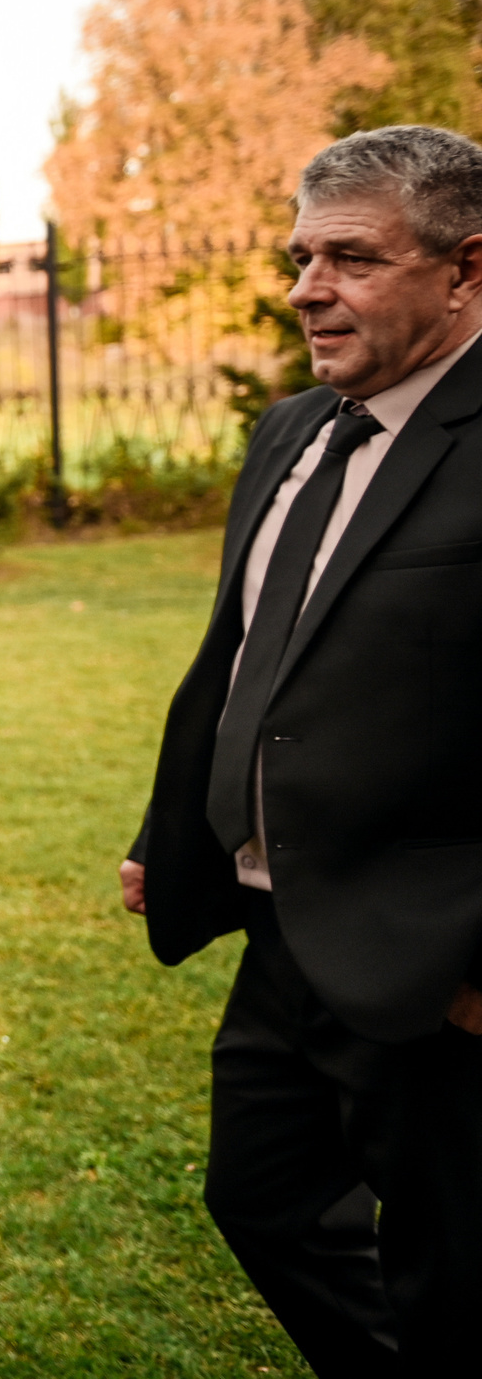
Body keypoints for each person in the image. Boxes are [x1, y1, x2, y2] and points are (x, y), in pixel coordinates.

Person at [120, 124, 482, 1376]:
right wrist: (172, 830)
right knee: (260, 1198)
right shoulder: (290, 434)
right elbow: (241, 658)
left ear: (466, 269)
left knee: (455, 1265)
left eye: (351, 259)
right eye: (297, 257)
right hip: (283, 930)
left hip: (436, 955)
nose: (306, 290)